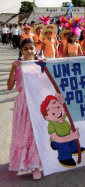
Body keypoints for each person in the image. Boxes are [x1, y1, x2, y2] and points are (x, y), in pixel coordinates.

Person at [7, 38, 42, 180]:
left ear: (35, 50)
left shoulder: (40, 65)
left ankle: (35, 166)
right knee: (23, 134)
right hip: (22, 105)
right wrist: (13, 68)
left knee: (35, 134)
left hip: (37, 103)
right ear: (21, 50)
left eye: (31, 48)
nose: (29, 51)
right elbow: (9, 87)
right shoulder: (18, 66)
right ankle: (21, 162)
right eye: (26, 48)